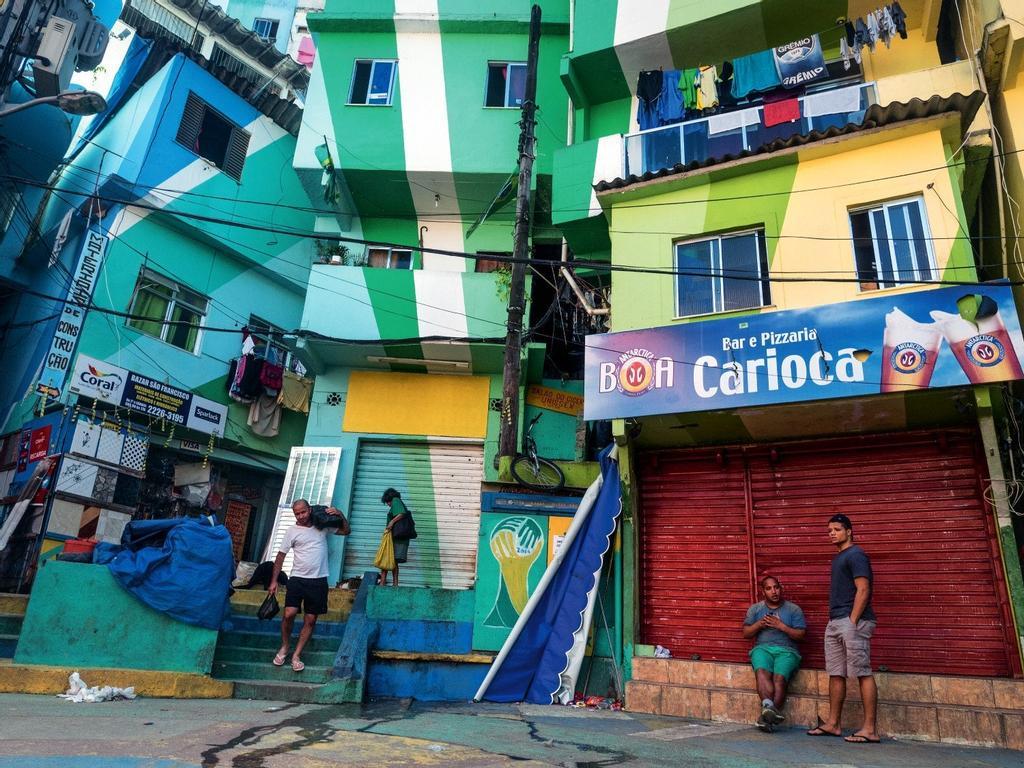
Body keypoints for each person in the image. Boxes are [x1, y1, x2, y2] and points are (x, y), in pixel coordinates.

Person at [807, 513, 879, 743]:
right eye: (829, 530)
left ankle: (869, 729)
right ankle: (833, 724)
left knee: (862, 672)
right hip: (836, 621)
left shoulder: (856, 554)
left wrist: (853, 620)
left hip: (852, 621)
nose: (832, 533)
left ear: (849, 531)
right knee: (836, 673)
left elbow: (863, 589)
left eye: (837, 529)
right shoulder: (839, 557)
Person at [268, 499, 349, 672]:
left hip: (318, 580)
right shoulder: (291, 531)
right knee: (289, 614)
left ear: (309, 510)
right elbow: (280, 557)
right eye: (297, 513)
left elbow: (346, 531)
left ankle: (296, 655)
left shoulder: (322, 525)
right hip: (297, 578)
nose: (300, 516)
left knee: (311, 619)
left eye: (303, 512)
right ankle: (285, 646)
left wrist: (339, 514)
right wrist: (274, 581)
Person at [742, 574, 806, 730]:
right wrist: (759, 624)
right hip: (762, 648)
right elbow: (746, 633)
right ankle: (769, 712)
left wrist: (781, 626)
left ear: (780, 588)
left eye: (776, 587)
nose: (774, 592)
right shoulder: (756, 609)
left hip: (787, 651)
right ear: (763, 592)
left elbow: (801, 635)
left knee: (779, 679)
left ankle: (766, 716)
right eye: (769, 588)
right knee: (762, 673)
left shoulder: (793, 609)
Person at [379, 488, 410, 586]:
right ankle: (394, 583)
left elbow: (401, 513)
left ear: (390, 498)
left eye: (388, 501)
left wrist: (392, 522)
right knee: (392, 559)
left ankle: (384, 582)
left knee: (389, 558)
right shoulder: (397, 502)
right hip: (396, 537)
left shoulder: (395, 500)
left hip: (397, 538)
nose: (388, 504)